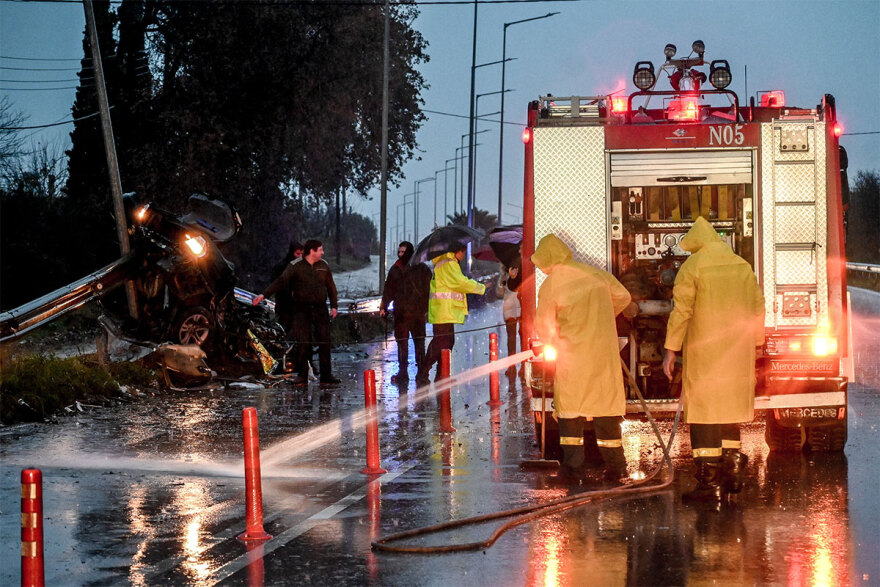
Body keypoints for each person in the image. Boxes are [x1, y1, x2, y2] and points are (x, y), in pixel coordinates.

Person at [662, 217, 765, 502]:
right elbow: (758, 308)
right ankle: (732, 474)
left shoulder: (693, 267)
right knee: (730, 410)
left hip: (707, 354)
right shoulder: (742, 266)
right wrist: (756, 342)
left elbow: (681, 311)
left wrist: (671, 349)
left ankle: (709, 484)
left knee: (706, 414)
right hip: (737, 353)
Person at [532, 234, 636, 485]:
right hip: (604, 354)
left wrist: (549, 342)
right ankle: (617, 467)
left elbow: (543, 324)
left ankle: (573, 469)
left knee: (571, 414)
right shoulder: (595, 274)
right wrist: (602, 314)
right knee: (606, 409)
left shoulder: (553, 283)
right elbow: (623, 297)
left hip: (573, 356)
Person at [255, 239, 341, 385]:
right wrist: (264, 294)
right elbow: (281, 281)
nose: (322, 252)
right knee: (303, 343)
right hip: (302, 309)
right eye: (320, 250)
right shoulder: (295, 266)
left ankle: (326, 375)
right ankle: (302, 375)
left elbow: (331, 287)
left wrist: (334, 305)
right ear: (312, 251)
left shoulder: (324, 266)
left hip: (320, 308)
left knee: (324, 341)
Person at [416, 242, 486, 385]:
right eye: (464, 252)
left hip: (444, 310)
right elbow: (460, 283)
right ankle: (424, 372)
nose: (464, 256)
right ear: (458, 251)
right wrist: (481, 287)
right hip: (444, 310)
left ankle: (441, 375)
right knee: (441, 343)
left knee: (445, 343)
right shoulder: (449, 264)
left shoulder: (445, 262)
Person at [380, 242, 432, 383]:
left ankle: (421, 372)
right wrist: (384, 306)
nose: (401, 254)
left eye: (403, 252)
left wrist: (425, 307)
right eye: (399, 252)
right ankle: (405, 373)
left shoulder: (421, 269)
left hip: (416, 314)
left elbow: (429, 290)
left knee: (419, 344)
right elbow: (388, 289)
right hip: (402, 314)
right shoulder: (396, 270)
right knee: (403, 344)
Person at [495, 253, 522, 375]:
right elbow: (499, 293)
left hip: (521, 308)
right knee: (511, 339)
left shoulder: (522, 272)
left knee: (523, 337)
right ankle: (512, 366)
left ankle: (523, 365)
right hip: (509, 309)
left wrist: (514, 278)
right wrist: (503, 282)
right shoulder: (504, 275)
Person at [269, 240, 304, 334]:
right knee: (284, 329)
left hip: (297, 306)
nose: (300, 257)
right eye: (297, 254)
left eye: (302, 254)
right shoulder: (281, 267)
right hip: (284, 304)